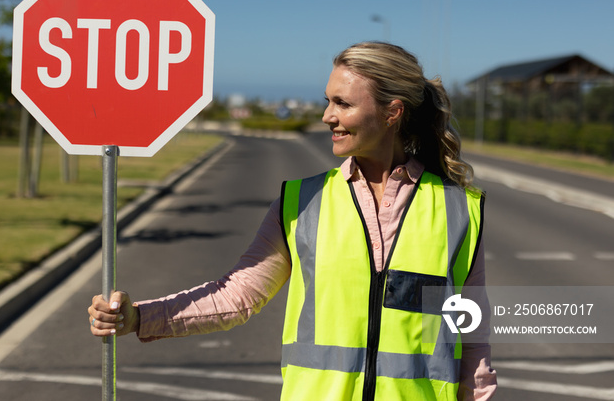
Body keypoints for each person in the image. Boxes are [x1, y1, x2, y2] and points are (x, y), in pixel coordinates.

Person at [88, 41, 497, 400]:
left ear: (393, 112)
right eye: (327, 101)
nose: (327, 117)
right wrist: (139, 317)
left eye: (344, 104)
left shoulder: (459, 210)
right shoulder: (301, 202)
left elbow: (472, 338)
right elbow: (236, 297)